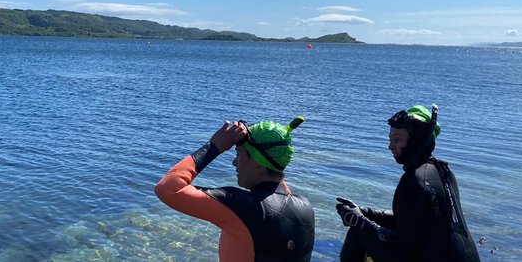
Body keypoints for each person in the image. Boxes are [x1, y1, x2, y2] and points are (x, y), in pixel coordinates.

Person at [155, 118, 315, 261]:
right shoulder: (305, 208)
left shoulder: (243, 206)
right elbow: (279, 187)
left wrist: (214, 146)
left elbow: (168, 189)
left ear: (258, 162)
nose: (234, 163)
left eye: (239, 155)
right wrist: (277, 140)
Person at [334, 105, 480, 262]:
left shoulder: (415, 180)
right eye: (390, 140)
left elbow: (404, 242)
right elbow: (413, 222)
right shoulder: (443, 171)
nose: (390, 146)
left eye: (397, 140)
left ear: (417, 139)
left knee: (359, 233)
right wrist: (366, 213)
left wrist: (360, 222)